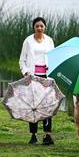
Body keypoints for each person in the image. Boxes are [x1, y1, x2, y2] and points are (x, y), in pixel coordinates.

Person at [19, 16, 56, 145]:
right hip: (32, 77)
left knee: (47, 105)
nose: (39, 28)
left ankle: (47, 135)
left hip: (46, 77)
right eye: (37, 26)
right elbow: (22, 60)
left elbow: (53, 58)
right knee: (33, 105)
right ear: (34, 28)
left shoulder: (49, 41)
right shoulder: (28, 41)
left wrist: (50, 69)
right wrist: (26, 72)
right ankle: (33, 135)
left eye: (41, 26)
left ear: (45, 27)